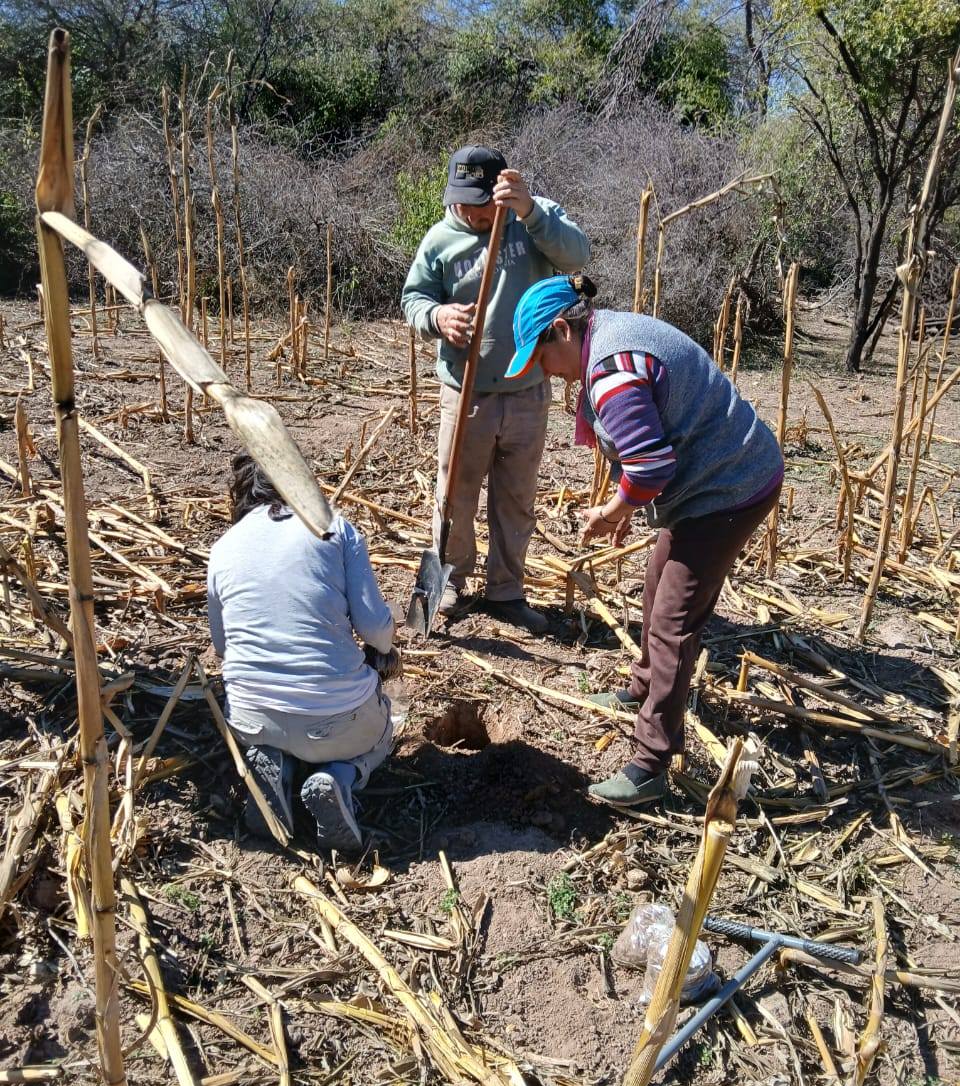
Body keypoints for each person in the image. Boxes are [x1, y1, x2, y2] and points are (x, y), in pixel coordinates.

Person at [506, 274, 784, 807]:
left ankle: (651, 762)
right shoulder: (607, 336)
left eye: (540, 357)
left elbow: (651, 464)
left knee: (673, 621)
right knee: (658, 583)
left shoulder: (610, 372)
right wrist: (631, 500)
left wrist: (615, 510)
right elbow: (646, 446)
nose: (543, 373)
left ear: (562, 330)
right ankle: (642, 686)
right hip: (708, 478)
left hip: (730, 486)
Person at [401, 144, 589, 634]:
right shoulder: (439, 240)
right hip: (465, 393)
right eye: (462, 201)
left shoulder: (533, 218)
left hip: (527, 391)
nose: (471, 212)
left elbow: (578, 254)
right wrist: (438, 317)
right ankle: (452, 583)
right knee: (455, 495)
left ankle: (507, 592)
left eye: (481, 202)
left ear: (500, 191)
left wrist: (527, 209)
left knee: (516, 499)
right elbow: (413, 299)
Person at [207, 454, 400, 851]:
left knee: (279, 733)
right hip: (338, 721)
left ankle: (277, 767)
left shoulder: (222, 549)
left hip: (252, 720)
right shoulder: (333, 529)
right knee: (383, 731)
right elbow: (374, 628)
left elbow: (224, 648)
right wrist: (385, 651)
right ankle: (341, 778)